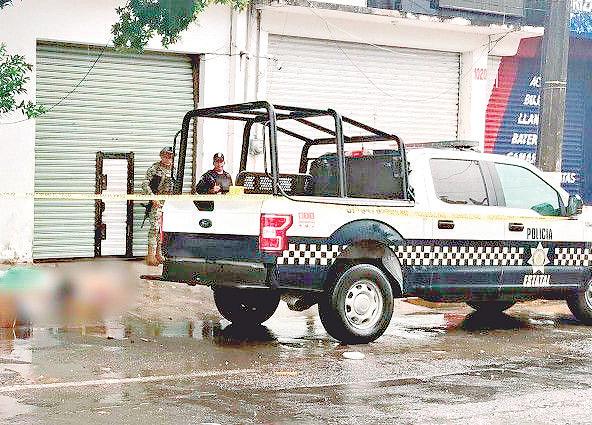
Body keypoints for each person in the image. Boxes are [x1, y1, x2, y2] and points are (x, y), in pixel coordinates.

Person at [142, 146, 173, 266]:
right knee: (154, 228)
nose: (167, 158)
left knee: (162, 229)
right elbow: (145, 184)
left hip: (168, 203)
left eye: (170, 156)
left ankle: (159, 254)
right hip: (157, 202)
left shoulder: (174, 170)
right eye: (165, 155)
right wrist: (152, 197)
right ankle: (150, 255)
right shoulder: (154, 168)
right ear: (161, 156)